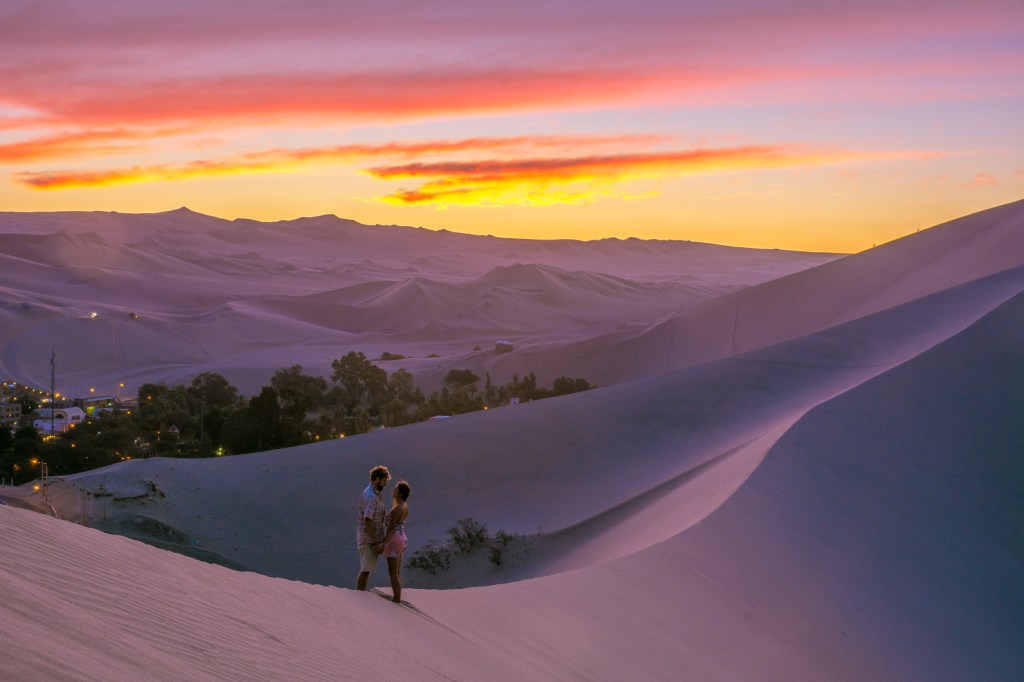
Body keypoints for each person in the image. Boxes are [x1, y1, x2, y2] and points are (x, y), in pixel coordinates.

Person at [356, 465, 390, 591]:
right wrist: (375, 542)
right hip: (368, 540)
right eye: (384, 480)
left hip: (370, 539)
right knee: (365, 570)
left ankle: (361, 595)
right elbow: (368, 520)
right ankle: (359, 596)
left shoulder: (373, 493)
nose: (385, 484)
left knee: (367, 570)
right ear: (377, 479)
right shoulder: (371, 496)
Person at [381, 480, 410, 603]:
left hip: (394, 539)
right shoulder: (404, 506)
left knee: (393, 573)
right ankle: (398, 597)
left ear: (401, 493)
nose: (393, 490)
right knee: (397, 572)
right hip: (402, 538)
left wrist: (384, 544)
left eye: (396, 489)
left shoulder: (397, 508)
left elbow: (390, 528)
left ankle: (396, 599)